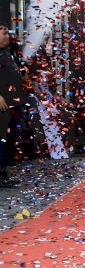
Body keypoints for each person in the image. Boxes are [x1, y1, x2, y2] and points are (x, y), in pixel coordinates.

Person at [0, 24, 25, 187]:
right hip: (2, 105)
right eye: (3, 33)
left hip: (11, 105)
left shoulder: (6, 53)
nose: (7, 36)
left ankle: (3, 173)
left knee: (7, 140)